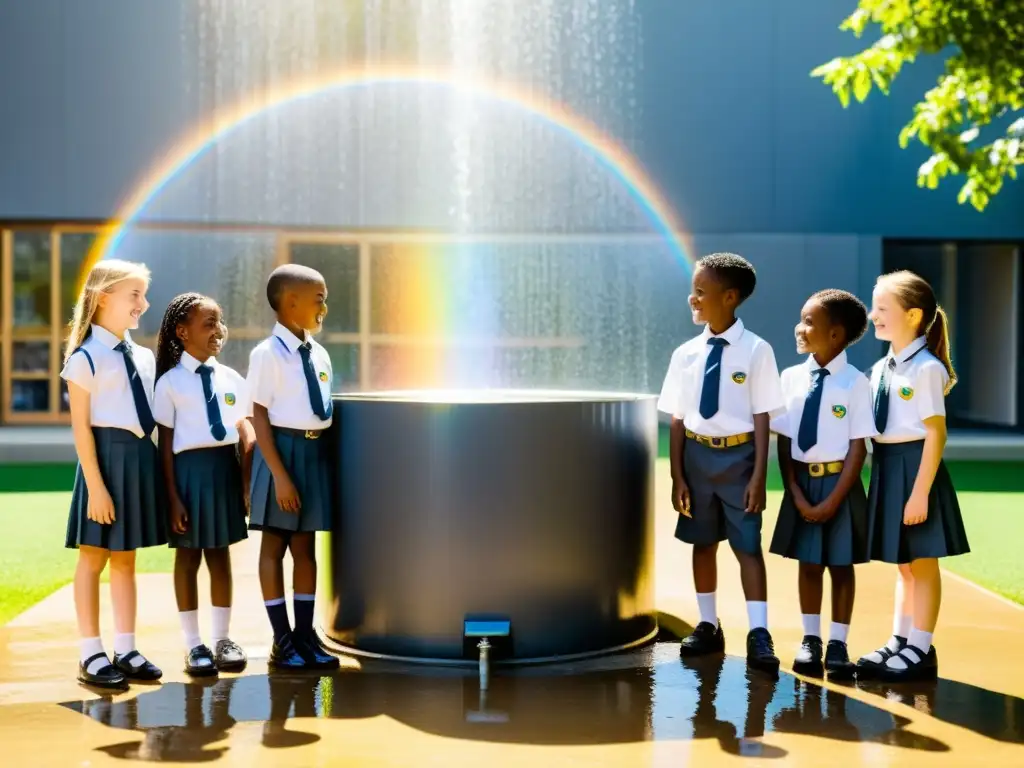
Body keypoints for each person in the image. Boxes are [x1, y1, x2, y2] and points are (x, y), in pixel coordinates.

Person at [658, 253, 785, 673]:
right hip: (696, 458)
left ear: (729, 297)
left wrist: (758, 476)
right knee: (702, 541)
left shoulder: (757, 351)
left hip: (739, 459)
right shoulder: (686, 354)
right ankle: (708, 624)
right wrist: (678, 474)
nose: (692, 299)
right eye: (693, 290)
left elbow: (764, 415)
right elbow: (677, 417)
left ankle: (759, 632)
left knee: (747, 546)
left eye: (700, 292)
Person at [856, 270, 969, 682]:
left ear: (914, 315)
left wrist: (920, 493)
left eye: (883, 309)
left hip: (916, 468)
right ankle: (899, 640)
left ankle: (921, 646)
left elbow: (935, 433)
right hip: (888, 467)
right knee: (903, 565)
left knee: (922, 563)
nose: (874, 316)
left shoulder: (925, 368)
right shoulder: (881, 367)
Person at [62, 259, 166, 689]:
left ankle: (125, 648)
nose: (143, 304)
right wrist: (97, 487)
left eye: (143, 294)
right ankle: (90, 652)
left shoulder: (143, 356)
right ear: (103, 297)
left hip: (139, 459)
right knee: (93, 558)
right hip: (103, 460)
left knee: (126, 558)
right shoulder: (86, 357)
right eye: (134, 295)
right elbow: (81, 429)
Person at [769, 289, 876, 679]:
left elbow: (858, 448)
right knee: (809, 563)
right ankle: (810, 639)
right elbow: (784, 440)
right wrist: (795, 493)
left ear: (835, 334)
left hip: (840, 488)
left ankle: (838, 643)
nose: (799, 328)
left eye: (809, 321)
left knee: (841, 564)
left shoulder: (854, 383)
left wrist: (833, 500)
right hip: (802, 484)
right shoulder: (791, 377)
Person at [153, 292, 254, 677]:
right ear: (182, 332)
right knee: (188, 556)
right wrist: (173, 497)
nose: (218, 331)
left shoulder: (231, 379)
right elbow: (165, 446)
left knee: (220, 554)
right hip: (188, 473)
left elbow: (243, 430)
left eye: (219, 322)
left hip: (223, 471)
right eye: (208, 324)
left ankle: (223, 639)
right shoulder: (170, 384)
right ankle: (193, 643)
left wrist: (244, 483)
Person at [247, 264, 339, 671]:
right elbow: (260, 416)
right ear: (291, 302)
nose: (324, 306)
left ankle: (305, 634)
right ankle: (281, 640)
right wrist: (280, 476)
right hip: (280, 454)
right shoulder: (267, 354)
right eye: (318, 298)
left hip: (312, 454)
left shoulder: (318, 352)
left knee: (305, 549)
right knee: (275, 546)